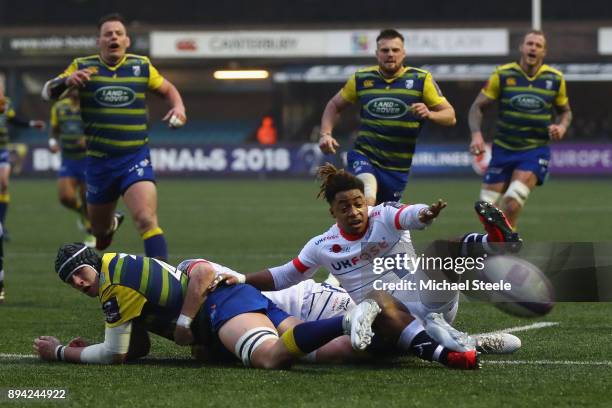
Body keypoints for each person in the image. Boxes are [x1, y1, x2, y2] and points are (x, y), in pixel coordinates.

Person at [236, 164, 522, 368]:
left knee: (441, 252)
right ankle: (454, 349)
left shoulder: (384, 215)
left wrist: (425, 213)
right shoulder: (322, 245)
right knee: (375, 300)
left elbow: (410, 215)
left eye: (358, 203)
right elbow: (285, 275)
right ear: (332, 211)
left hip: (428, 301)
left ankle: (493, 242)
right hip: (385, 326)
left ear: (366, 202)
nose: (354, 212)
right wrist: (239, 278)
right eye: (344, 207)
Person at [33, 244, 381, 368]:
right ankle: (404, 333)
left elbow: (114, 354)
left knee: (269, 358)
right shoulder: (120, 272)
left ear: (91, 262)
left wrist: (61, 352)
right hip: (234, 306)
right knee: (336, 353)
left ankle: (346, 319)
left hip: (224, 307)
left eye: (79, 272)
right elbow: (133, 348)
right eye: (70, 281)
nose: (78, 283)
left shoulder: (115, 282)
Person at [41, 13, 187, 259]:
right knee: (99, 236)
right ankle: (108, 227)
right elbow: (47, 93)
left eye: (118, 33)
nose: (114, 37)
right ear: (99, 41)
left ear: (127, 41)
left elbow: (168, 89)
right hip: (99, 162)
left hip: (134, 158)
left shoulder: (141, 66)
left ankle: (163, 286)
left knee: (146, 219)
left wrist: (179, 107)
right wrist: (67, 81)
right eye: (108, 34)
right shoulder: (82, 66)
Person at [318, 29, 456, 206]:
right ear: (377, 54)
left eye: (395, 50)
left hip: (397, 167)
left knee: (384, 220)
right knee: (367, 195)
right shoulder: (361, 79)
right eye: (385, 50)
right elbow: (334, 105)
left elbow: (450, 116)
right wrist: (325, 134)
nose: (390, 54)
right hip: (365, 154)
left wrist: (430, 114)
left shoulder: (421, 80)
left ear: (403, 53)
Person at [468, 30, 572, 228]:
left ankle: (506, 250)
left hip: (533, 150)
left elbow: (565, 111)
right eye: (529, 43)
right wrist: (476, 134)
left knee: (512, 203)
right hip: (503, 149)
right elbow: (477, 106)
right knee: (486, 208)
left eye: (538, 45)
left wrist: (562, 126)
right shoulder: (503, 74)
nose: (533, 47)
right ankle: (498, 246)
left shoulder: (555, 78)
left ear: (544, 52)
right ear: (522, 48)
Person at [49, 90, 94, 246]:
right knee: (65, 197)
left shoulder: (91, 107)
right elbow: (54, 131)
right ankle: (83, 214)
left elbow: (101, 130)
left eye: (79, 86)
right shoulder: (59, 107)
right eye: (73, 86)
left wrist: (88, 140)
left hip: (88, 159)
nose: (76, 89)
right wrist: (52, 143)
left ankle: (91, 233)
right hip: (68, 159)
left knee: (86, 197)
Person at [0, 83, 46, 232]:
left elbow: (14, 120)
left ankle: (2, 225)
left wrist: (32, 124)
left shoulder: (6, 103)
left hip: (2, 149)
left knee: (4, 185)